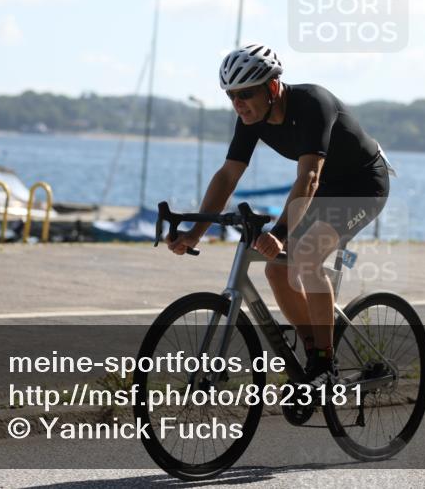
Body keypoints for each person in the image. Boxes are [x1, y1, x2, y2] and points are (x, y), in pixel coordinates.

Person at [167, 43, 391, 386]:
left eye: (246, 93)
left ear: (272, 87)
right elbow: (228, 175)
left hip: (363, 185)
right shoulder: (251, 118)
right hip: (326, 186)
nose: (238, 103)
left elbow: (309, 176)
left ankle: (325, 365)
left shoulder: (313, 104)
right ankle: (312, 351)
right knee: (276, 269)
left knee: (306, 258)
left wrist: (280, 233)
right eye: (231, 95)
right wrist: (195, 232)